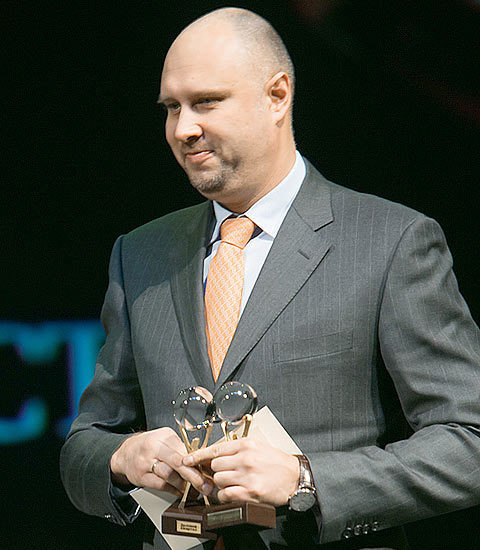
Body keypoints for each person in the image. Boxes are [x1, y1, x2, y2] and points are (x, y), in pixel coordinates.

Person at [60, 7, 480, 550]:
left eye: (206, 102)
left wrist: (308, 480)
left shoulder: (390, 242)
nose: (184, 128)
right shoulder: (140, 253)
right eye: (171, 108)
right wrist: (121, 458)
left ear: (277, 96)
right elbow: (85, 443)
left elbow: (469, 441)